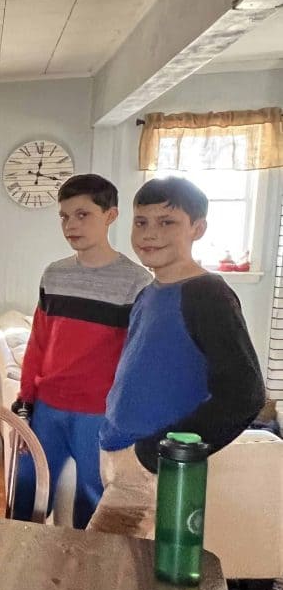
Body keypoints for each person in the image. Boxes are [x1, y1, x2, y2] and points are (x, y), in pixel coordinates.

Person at [88, 176, 265, 538]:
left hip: (150, 468)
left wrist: (159, 452)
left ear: (197, 228)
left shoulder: (208, 295)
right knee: (124, 577)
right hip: (118, 453)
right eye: (142, 222)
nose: (150, 234)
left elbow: (244, 394)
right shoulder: (149, 292)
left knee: (99, 570)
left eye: (167, 222)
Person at [11, 174, 151, 528]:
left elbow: (136, 358)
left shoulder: (137, 282)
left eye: (82, 214)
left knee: (93, 498)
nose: (71, 225)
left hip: (98, 413)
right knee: (26, 491)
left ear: (110, 215)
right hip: (47, 408)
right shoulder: (54, 275)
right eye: (64, 216)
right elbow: (38, 341)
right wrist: (26, 400)